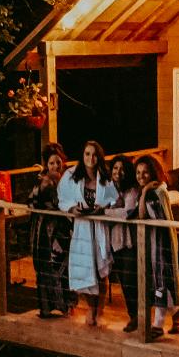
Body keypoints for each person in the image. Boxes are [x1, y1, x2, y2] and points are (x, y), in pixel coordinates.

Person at [58, 140, 118, 326]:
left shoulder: (106, 178)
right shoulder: (71, 176)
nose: (90, 158)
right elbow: (62, 198)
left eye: (94, 154)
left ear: (99, 157)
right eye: (87, 154)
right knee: (85, 269)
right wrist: (71, 209)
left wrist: (106, 206)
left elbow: (116, 199)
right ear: (82, 156)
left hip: (100, 227)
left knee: (101, 270)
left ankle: (98, 311)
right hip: (82, 228)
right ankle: (91, 309)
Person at [134, 154, 179, 335]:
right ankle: (175, 310)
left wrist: (145, 193)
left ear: (153, 173)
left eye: (145, 172)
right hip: (152, 243)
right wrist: (143, 192)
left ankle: (157, 325)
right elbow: (141, 215)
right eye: (138, 172)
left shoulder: (159, 192)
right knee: (159, 280)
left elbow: (159, 219)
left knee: (161, 281)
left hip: (161, 244)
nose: (141, 176)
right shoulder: (148, 192)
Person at [28, 143, 73, 318]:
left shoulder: (68, 180)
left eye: (58, 162)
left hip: (62, 229)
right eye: (52, 163)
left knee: (63, 266)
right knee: (44, 267)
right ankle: (45, 307)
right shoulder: (41, 180)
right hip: (43, 230)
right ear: (47, 165)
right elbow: (31, 202)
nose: (55, 166)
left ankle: (65, 306)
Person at [104, 155, 140, 331]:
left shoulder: (131, 190)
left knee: (130, 279)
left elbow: (127, 212)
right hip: (115, 240)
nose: (118, 172)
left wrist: (106, 213)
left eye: (122, 168)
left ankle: (138, 316)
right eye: (115, 168)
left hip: (129, 242)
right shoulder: (110, 189)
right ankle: (134, 316)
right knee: (124, 282)